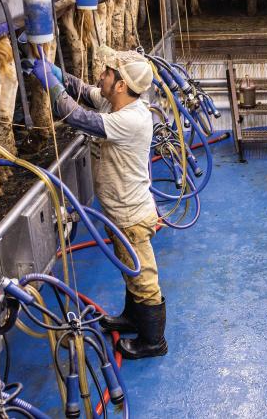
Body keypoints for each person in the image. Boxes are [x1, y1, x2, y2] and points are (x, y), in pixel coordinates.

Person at [31, 46, 166, 360]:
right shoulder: (114, 100)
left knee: (143, 276)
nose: (100, 76)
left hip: (131, 216)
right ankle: (134, 318)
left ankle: (154, 341)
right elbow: (82, 90)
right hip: (121, 212)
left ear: (121, 85)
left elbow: (77, 116)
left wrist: (50, 85)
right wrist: (56, 71)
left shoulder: (132, 119)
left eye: (107, 73)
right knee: (129, 270)